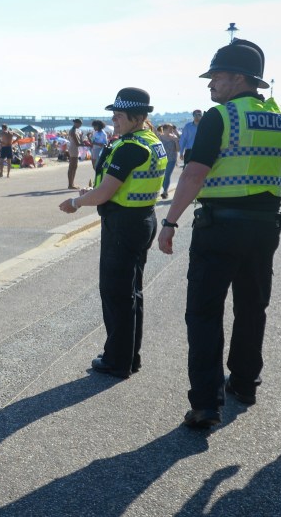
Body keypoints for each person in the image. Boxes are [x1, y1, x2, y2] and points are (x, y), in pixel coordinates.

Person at [158, 39, 281, 429]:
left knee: (203, 312)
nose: (210, 85)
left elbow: (194, 173)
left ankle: (205, 404)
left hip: (220, 227)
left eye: (216, 76)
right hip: (265, 227)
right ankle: (245, 383)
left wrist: (170, 223)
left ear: (239, 78)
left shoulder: (222, 117)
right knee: (252, 307)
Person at [59, 88, 166, 380]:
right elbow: (115, 187)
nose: (114, 119)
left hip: (124, 225)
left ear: (138, 117)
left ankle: (117, 360)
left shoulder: (131, 146)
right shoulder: (151, 141)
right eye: (114, 114)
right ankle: (131, 356)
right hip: (142, 217)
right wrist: (92, 193)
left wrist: (76, 202)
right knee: (133, 292)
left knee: (117, 293)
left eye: (119, 115)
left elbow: (106, 192)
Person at [158, 123, 180, 199]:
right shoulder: (159, 137)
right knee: (162, 175)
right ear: (164, 130)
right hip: (162, 160)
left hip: (171, 159)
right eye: (169, 129)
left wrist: (176, 141)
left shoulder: (174, 138)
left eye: (172, 129)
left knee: (167, 175)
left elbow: (178, 149)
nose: (171, 130)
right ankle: (164, 188)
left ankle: (165, 191)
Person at [67, 119, 84, 189]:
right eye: (80, 124)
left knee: (73, 166)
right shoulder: (73, 131)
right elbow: (77, 143)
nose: (80, 126)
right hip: (74, 148)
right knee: (72, 166)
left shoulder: (74, 130)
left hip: (73, 148)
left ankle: (71, 183)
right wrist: (85, 144)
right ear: (76, 123)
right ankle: (71, 184)